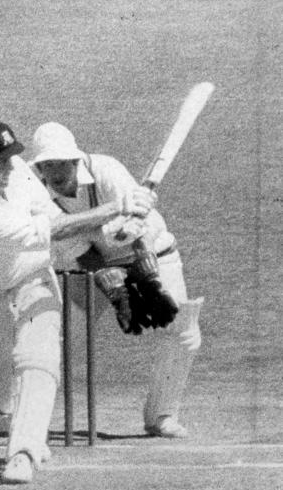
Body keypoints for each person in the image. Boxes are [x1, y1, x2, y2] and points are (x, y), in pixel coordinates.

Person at [0, 119, 152, 483]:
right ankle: (0, 411)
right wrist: (115, 208)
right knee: (3, 385)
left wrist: (116, 227)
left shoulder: (17, 172)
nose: (10, 167)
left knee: (38, 361)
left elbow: (52, 215)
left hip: (34, 280)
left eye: (11, 157)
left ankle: (23, 453)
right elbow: (55, 230)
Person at [28, 121, 204, 438]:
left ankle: (161, 415)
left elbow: (141, 224)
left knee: (182, 331)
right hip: (88, 263)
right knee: (56, 340)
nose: (55, 171)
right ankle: (18, 414)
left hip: (151, 252)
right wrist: (113, 284)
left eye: (61, 162)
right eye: (47, 164)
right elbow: (70, 243)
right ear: (38, 166)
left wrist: (147, 274)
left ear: (75, 160)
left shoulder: (106, 170)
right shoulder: (36, 194)